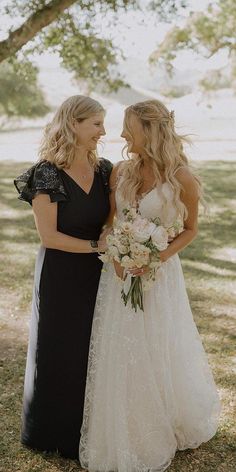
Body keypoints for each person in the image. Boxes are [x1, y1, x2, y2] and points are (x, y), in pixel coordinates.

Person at [79, 99, 221, 472]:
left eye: (129, 127)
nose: (122, 135)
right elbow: (110, 222)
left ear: (149, 131)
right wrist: (119, 251)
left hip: (159, 275)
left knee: (159, 343)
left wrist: (154, 257)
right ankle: (128, 420)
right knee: (122, 346)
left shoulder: (182, 178)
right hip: (120, 274)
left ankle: (167, 416)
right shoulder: (122, 172)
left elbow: (190, 230)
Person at [14, 95, 113, 459]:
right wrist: (97, 245)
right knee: (57, 348)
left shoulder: (105, 169)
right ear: (74, 123)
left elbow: (114, 214)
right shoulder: (47, 173)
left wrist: (113, 237)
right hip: (60, 272)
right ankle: (53, 432)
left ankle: (90, 427)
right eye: (96, 124)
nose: (103, 131)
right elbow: (49, 236)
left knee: (93, 345)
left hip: (98, 273)